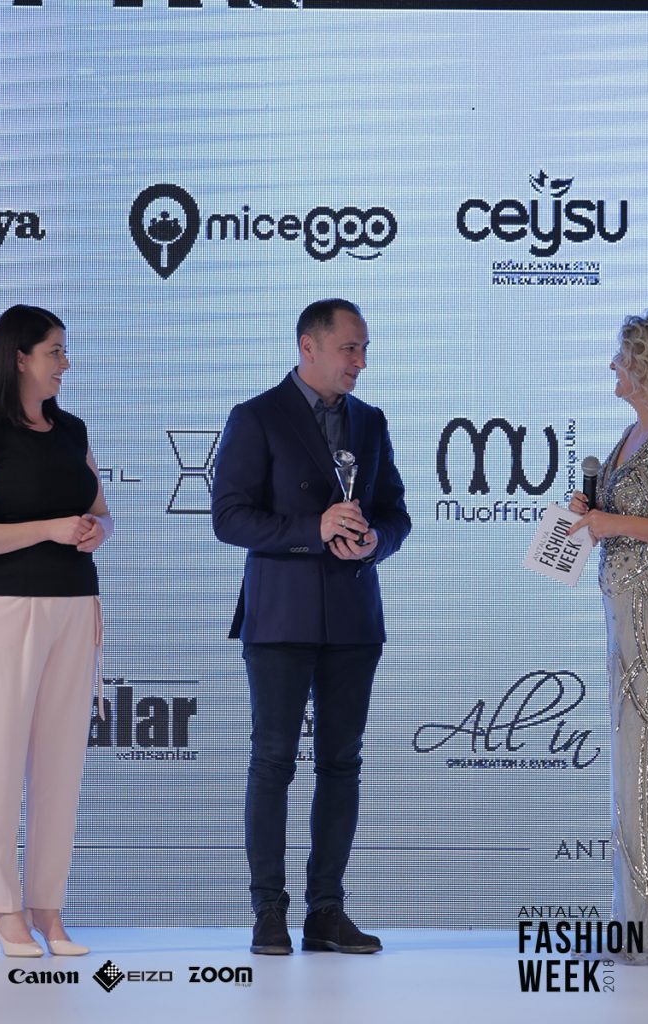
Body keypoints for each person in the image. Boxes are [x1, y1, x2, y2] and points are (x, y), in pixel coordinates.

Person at [212, 299, 410, 955]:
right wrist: (313, 528)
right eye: (350, 348)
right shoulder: (256, 417)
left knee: (341, 763)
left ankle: (326, 911)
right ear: (309, 347)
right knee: (272, 761)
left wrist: (375, 541)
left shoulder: (370, 421)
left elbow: (395, 514)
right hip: (279, 616)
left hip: (353, 616)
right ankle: (268, 912)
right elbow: (229, 518)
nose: (360, 362)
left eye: (364, 349)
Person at [0, 305, 112, 957]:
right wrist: (50, 529)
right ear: (20, 358)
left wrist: (96, 531)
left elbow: (99, 510)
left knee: (61, 765)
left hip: (74, 604)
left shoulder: (72, 429)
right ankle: (3, 907)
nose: (66, 363)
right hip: (7, 608)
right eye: (55, 351)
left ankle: (48, 907)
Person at [569, 310, 648, 965]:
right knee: (635, 768)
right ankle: (637, 922)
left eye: (622, 357)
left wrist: (614, 522)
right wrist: (592, 513)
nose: (613, 365)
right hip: (625, 624)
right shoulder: (632, 433)